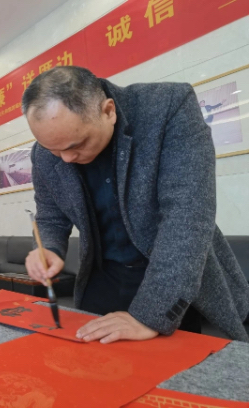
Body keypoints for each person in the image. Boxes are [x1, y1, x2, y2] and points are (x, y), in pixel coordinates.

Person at [22, 66, 249, 344]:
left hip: (168, 277)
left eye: (75, 146)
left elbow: (187, 214)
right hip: (101, 278)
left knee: (176, 366)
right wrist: (48, 248)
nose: (66, 159)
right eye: (54, 150)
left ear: (108, 111)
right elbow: (50, 216)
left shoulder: (167, 107)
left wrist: (150, 315)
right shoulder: (45, 153)